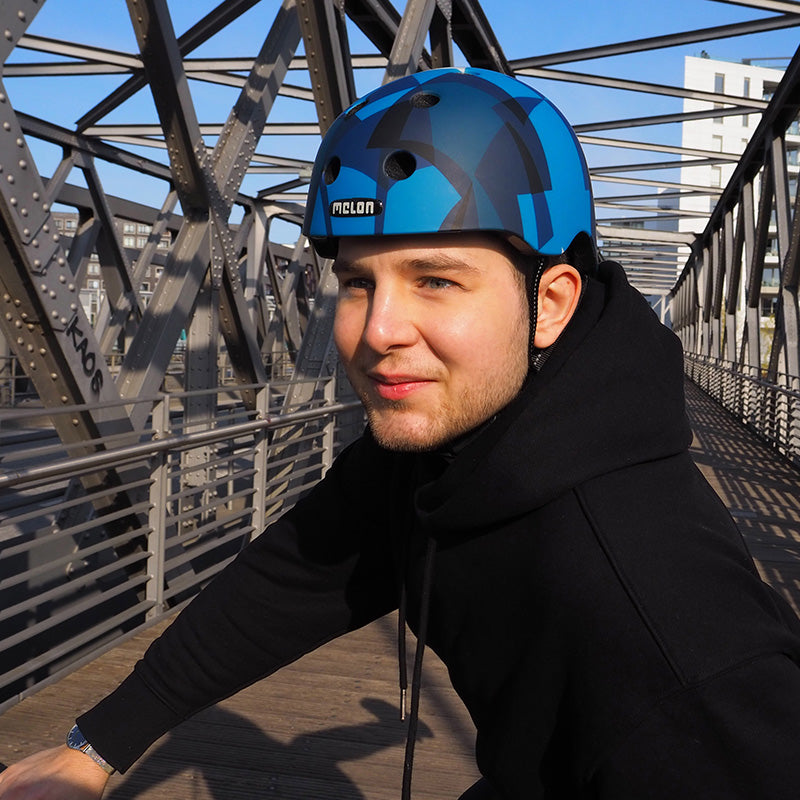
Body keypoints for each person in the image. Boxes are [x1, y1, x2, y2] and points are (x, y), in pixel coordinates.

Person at [1, 67, 800, 800]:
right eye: (357, 283)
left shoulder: (663, 632)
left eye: (436, 281)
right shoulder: (448, 446)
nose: (379, 329)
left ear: (550, 303)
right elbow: (297, 570)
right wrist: (96, 744)